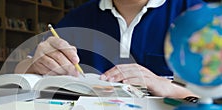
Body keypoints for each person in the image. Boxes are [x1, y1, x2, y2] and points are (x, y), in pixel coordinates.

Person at [15, 0, 205, 98]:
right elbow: (20, 70)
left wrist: (171, 89)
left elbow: (211, 97)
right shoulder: (80, 17)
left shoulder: (199, 15)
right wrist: (34, 63)